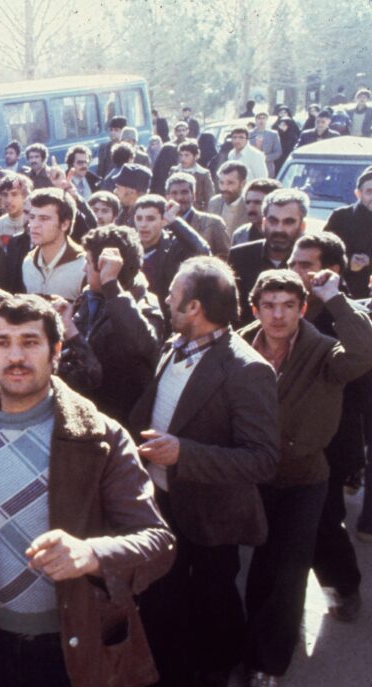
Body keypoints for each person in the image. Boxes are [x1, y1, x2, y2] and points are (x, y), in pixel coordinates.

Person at [0, 295, 175, 687]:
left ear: (56, 351)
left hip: (73, 646)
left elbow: (158, 542)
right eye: (4, 343)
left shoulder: (101, 437)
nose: (16, 356)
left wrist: (91, 554)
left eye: (30, 342)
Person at [130, 257, 279, 687]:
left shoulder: (247, 370)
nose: (166, 301)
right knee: (163, 599)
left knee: (213, 601)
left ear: (194, 307)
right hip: (162, 505)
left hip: (212, 517)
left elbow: (262, 459)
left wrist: (185, 454)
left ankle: (216, 669)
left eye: (174, 294)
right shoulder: (173, 345)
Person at [237, 268, 372, 686]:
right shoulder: (239, 346)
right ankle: (255, 641)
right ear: (255, 308)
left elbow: (366, 351)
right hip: (253, 477)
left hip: (304, 480)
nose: (278, 316)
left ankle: (269, 664)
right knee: (257, 569)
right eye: (269, 306)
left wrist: (336, 298)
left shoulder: (325, 352)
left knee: (288, 570)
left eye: (288, 306)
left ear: (302, 308)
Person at [60, 225, 165, 426]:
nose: (84, 269)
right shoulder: (89, 297)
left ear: (109, 269)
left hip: (117, 420)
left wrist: (110, 284)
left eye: (88, 262)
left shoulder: (145, 307)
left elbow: (141, 346)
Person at [229, 189, 309, 324]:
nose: (279, 229)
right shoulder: (239, 256)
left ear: (302, 226)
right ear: (264, 223)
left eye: (288, 222)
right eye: (273, 221)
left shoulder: (310, 261)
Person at [134, 194, 211, 309]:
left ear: (163, 220)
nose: (143, 225)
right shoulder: (129, 245)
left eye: (151, 219)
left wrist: (174, 222)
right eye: (139, 218)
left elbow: (203, 252)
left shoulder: (175, 247)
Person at [22, 188, 86, 301]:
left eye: (44, 219)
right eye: (32, 217)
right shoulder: (28, 262)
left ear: (65, 224)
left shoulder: (84, 266)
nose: (33, 225)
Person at [324, 165, 372, 299]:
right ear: (358, 193)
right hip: (344, 289)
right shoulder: (341, 217)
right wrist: (348, 262)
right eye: (369, 191)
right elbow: (324, 251)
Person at [166, 172, 230, 259]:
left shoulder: (213, 223)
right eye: (174, 193)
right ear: (167, 197)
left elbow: (225, 259)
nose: (179, 198)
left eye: (184, 192)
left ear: (193, 196)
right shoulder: (161, 225)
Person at [231, 178, 282, 247]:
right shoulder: (240, 235)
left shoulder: (285, 235)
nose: (251, 207)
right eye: (248, 202)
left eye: (258, 202)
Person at [170, 141, 216, 210]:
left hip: (195, 211)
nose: (183, 159)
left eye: (186, 155)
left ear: (196, 156)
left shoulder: (203, 173)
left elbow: (210, 198)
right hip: (175, 210)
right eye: (181, 155)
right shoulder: (174, 171)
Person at [208, 161, 250, 234]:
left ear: (243, 184)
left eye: (230, 183)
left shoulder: (250, 207)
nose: (224, 188)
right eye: (221, 183)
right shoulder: (214, 202)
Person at [0, 172, 32, 247]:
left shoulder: (32, 221)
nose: (9, 200)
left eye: (14, 194)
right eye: (5, 194)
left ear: (24, 196)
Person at [273, 106, 301, 170]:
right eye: (280, 125)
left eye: (284, 125)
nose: (281, 127)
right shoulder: (276, 134)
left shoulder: (293, 137)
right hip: (277, 161)